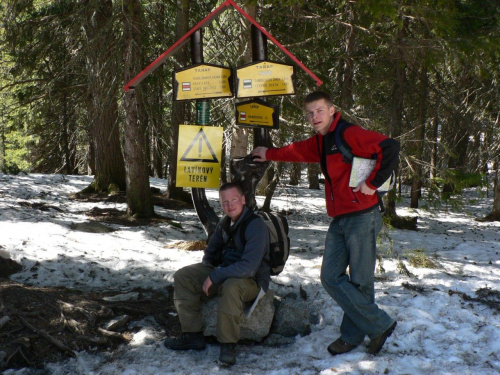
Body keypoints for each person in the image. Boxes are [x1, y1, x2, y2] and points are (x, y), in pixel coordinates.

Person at [251, 90, 399, 356]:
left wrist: (373, 183)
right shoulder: (321, 142)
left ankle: (354, 335)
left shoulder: (348, 134)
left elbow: (390, 147)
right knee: (330, 277)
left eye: (319, 111)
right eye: (310, 113)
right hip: (340, 218)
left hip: (363, 216)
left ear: (332, 110)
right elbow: (296, 151)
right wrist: (269, 154)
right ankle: (379, 325)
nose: (314, 117)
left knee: (361, 281)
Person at [164, 182, 270, 366]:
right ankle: (192, 334)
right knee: (184, 276)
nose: (229, 205)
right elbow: (211, 253)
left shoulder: (256, 226)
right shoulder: (225, 223)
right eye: (224, 202)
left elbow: (249, 267)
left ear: (243, 200)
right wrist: (205, 273)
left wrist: (214, 277)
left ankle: (228, 345)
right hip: (225, 272)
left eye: (234, 199)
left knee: (231, 286)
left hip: (251, 280)